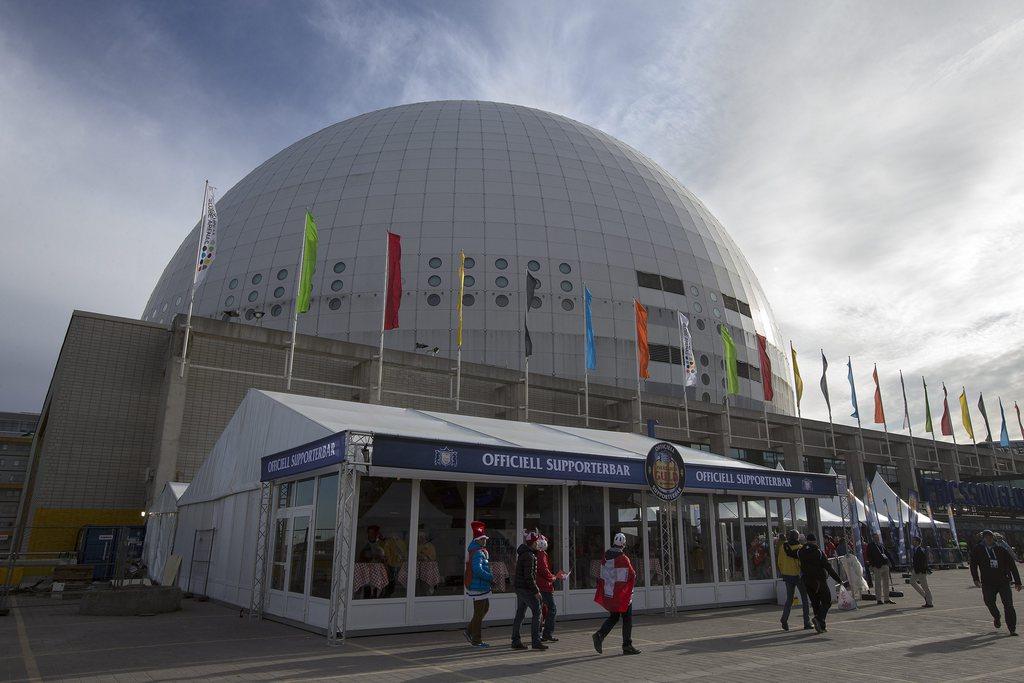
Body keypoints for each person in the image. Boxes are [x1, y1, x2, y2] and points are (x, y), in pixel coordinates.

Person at [592, 532, 641, 655]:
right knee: (627, 618)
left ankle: (600, 635)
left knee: (614, 616)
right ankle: (627, 645)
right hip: (621, 594)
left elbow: (600, 574)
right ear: (623, 544)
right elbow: (632, 574)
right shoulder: (623, 559)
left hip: (609, 593)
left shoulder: (605, 557)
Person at [970, 529, 1023, 636]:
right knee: (989, 601)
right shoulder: (978, 549)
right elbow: (973, 565)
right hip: (988, 582)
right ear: (983, 538)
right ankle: (996, 616)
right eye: (986, 536)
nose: (988, 538)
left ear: (993, 537)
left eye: (990, 536)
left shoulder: (1001, 549)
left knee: (1008, 605)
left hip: (1003, 581)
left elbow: (1012, 565)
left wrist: (1017, 581)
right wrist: (975, 578)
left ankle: (1012, 628)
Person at [789, 532, 843, 633]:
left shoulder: (800, 552)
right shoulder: (818, 552)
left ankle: (821, 626)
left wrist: (787, 544)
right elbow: (829, 568)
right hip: (819, 581)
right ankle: (819, 619)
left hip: (807, 581)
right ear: (814, 541)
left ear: (806, 541)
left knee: (815, 603)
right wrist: (838, 580)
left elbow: (790, 553)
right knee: (827, 601)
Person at [511, 529, 546, 650]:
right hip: (526, 588)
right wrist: (536, 591)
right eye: (537, 542)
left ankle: (515, 641)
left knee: (520, 613)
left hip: (520, 587)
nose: (539, 544)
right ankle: (536, 641)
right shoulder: (530, 556)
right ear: (533, 543)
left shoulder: (524, 553)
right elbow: (529, 576)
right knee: (537, 611)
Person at [463, 521, 493, 647]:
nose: (485, 541)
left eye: (485, 538)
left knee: (484, 609)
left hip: (480, 586)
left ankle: (469, 631)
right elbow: (478, 569)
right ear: (478, 540)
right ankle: (476, 639)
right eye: (483, 539)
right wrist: (490, 576)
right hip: (478, 586)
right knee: (479, 612)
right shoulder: (478, 552)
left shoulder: (478, 550)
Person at [776, 529, 812, 631]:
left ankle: (784, 618)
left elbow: (779, 561)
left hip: (787, 575)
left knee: (789, 599)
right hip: (798, 576)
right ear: (797, 537)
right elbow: (802, 563)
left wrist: (783, 571)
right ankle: (806, 622)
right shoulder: (800, 548)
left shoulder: (783, 547)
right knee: (805, 599)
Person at [535, 534, 566, 642]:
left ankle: (539, 634)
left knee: (541, 610)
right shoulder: (542, 555)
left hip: (540, 585)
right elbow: (543, 570)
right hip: (544, 586)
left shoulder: (539, 554)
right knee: (552, 609)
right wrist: (553, 577)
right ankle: (546, 633)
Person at [866, 532, 895, 605]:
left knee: (886, 583)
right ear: (873, 538)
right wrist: (872, 565)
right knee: (878, 583)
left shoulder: (881, 544)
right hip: (877, 566)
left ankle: (887, 598)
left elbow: (886, 553)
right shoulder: (870, 545)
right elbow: (869, 555)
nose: (877, 538)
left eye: (877, 537)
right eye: (875, 537)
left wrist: (891, 562)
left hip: (885, 565)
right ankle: (878, 599)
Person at [908, 536, 934, 608]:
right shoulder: (916, 549)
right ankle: (925, 596)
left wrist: (922, 570)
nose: (912, 542)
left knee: (925, 586)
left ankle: (929, 602)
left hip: (920, 571)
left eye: (914, 541)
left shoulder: (920, 550)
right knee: (912, 581)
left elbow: (923, 562)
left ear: (917, 542)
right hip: (916, 570)